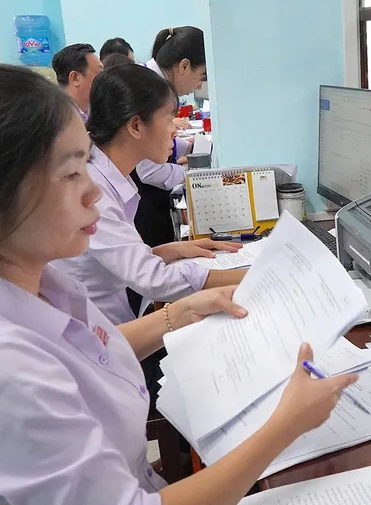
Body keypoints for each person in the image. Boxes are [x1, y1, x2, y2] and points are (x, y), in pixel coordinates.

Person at [0, 63, 357, 505]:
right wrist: (285, 426)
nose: (95, 192)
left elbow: (89, 347)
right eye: (71, 174)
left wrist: (179, 313)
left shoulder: (35, 277)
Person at [58, 64, 246, 325]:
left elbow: (116, 258)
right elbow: (154, 280)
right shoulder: (93, 191)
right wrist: (251, 274)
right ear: (136, 126)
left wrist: (170, 250)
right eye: (168, 119)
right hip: (100, 330)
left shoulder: (107, 173)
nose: (174, 130)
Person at [134, 26, 209, 249]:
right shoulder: (148, 91)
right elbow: (149, 171)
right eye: (202, 76)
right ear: (184, 66)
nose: (199, 85)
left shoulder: (149, 82)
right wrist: (195, 176)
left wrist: (185, 146)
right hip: (144, 206)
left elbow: (153, 140)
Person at [52, 43, 102, 121]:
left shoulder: (99, 112)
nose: (104, 77)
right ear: (75, 78)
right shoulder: (55, 120)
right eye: (100, 73)